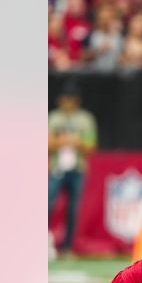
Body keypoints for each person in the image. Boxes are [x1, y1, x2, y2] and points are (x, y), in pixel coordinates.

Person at [48, 91, 98, 256]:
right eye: (65, 98)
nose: (67, 102)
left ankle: (67, 247)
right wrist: (66, 141)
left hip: (77, 168)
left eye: (70, 98)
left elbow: (90, 145)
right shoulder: (54, 117)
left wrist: (74, 141)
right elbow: (46, 143)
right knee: (48, 205)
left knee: (72, 210)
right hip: (57, 167)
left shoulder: (85, 119)